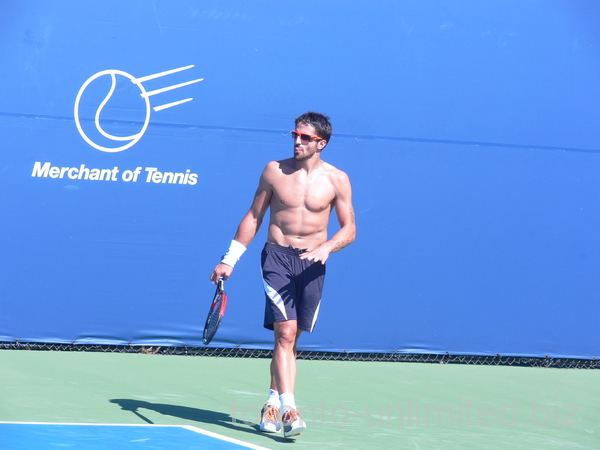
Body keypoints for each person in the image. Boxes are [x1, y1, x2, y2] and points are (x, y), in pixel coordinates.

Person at [210, 112, 356, 438]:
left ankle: (271, 402)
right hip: (277, 257)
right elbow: (254, 216)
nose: (297, 141)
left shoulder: (337, 179)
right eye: (295, 135)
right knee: (285, 334)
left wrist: (327, 248)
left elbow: (350, 229)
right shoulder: (274, 171)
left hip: (314, 263)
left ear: (322, 143)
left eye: (305, 137)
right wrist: (229, 259)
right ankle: (290, 407)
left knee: (291, 341)